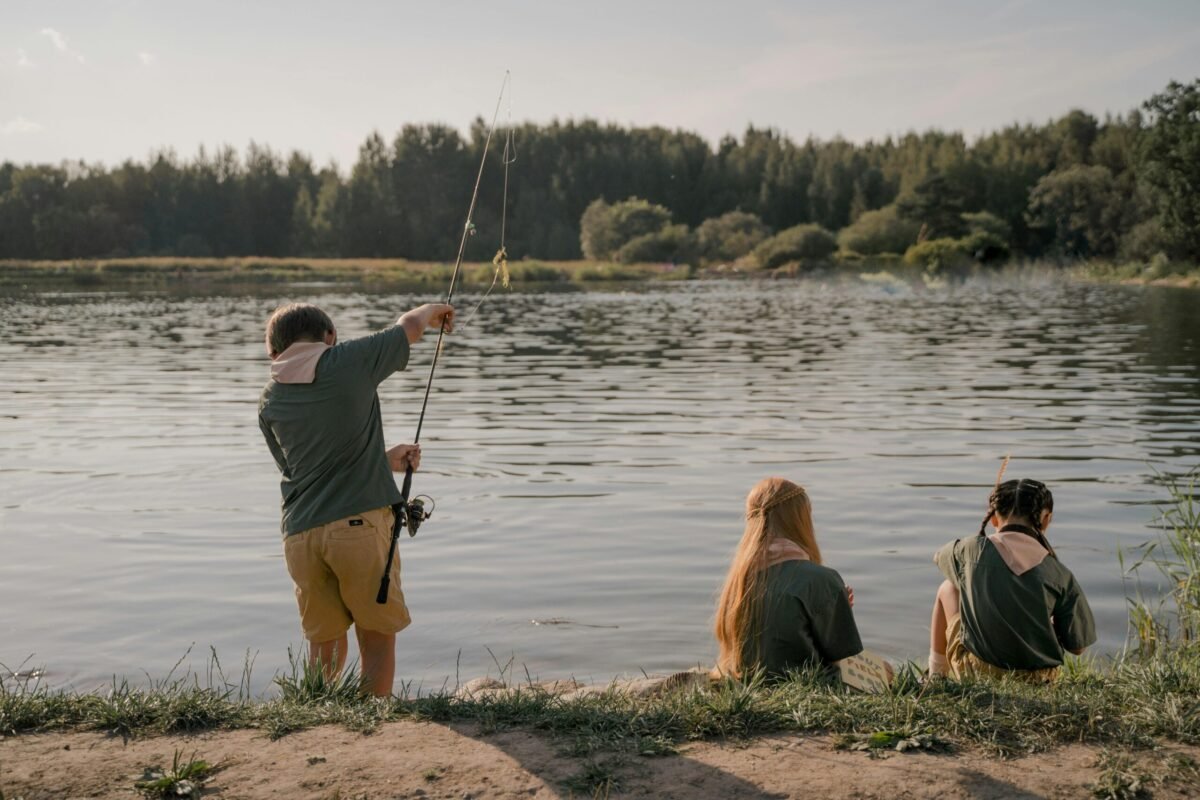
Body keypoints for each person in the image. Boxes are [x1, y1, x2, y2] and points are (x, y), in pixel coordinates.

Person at [258, 301, 455, 696]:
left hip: (300, 538)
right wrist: (432, 310)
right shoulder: (347, 359)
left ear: (274, 352)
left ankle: (317, 715)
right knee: (376, 635)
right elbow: (408, 327)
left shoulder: (270, 399)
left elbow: (306, 470)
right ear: (329, 336)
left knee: (324, 643)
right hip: (358, 530)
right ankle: (374, 719)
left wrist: (381, 461)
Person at [928, 478, 1096, 682]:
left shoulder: (970, 549)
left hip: (978, 672)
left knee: (948, 588)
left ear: (993, 519)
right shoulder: (1059, 572)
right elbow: (1078, 647)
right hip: (1041, 679)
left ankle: (935, 676)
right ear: (1046, 519)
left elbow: (939, 557)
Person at [714, 477, 863, 680]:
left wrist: (833, 608)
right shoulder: (821, 579)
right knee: (885, 671)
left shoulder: (737, 582)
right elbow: (843, 656)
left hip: (747, 683)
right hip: (810, 684)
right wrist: (836, 611)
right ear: (800, 521)